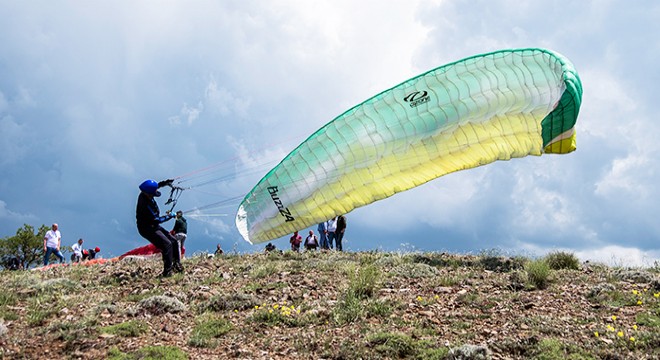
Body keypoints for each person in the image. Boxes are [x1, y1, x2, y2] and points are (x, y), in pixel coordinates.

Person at [136, 179, 183, 278]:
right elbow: (156, 219)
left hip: (153, 226)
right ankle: (167, 272)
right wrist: (170, 216)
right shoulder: (145, 204)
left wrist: (165, 183)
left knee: (174, 241)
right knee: (167, 244)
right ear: (148, 193)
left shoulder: (146, 192)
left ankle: (177, 264)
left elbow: (154, 186)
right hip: (147, 228)